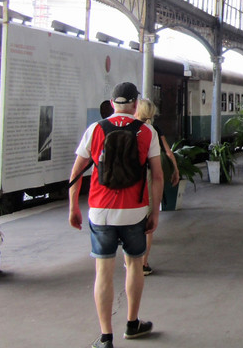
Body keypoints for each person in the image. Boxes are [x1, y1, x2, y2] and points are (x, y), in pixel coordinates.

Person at [68, 82, 164, 348]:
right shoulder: (147, 132)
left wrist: (73, 206)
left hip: (100, 211)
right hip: (134, 210)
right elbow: (157, 176)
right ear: (135, 104)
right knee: (134, 264)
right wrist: (154, 211)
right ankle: (132, 324)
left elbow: (76, 174)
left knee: (103, 271)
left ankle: (106, 336)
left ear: (111, 104)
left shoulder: (95, 129)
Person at [135, 98, 180, 276]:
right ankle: (143, 263)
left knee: (132, 218)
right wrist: (176, 169)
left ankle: (130, 261)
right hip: (148, 176)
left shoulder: (129, 128)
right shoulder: (153, 130)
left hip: (131, 179)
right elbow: (168, 152)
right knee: (147, 221)